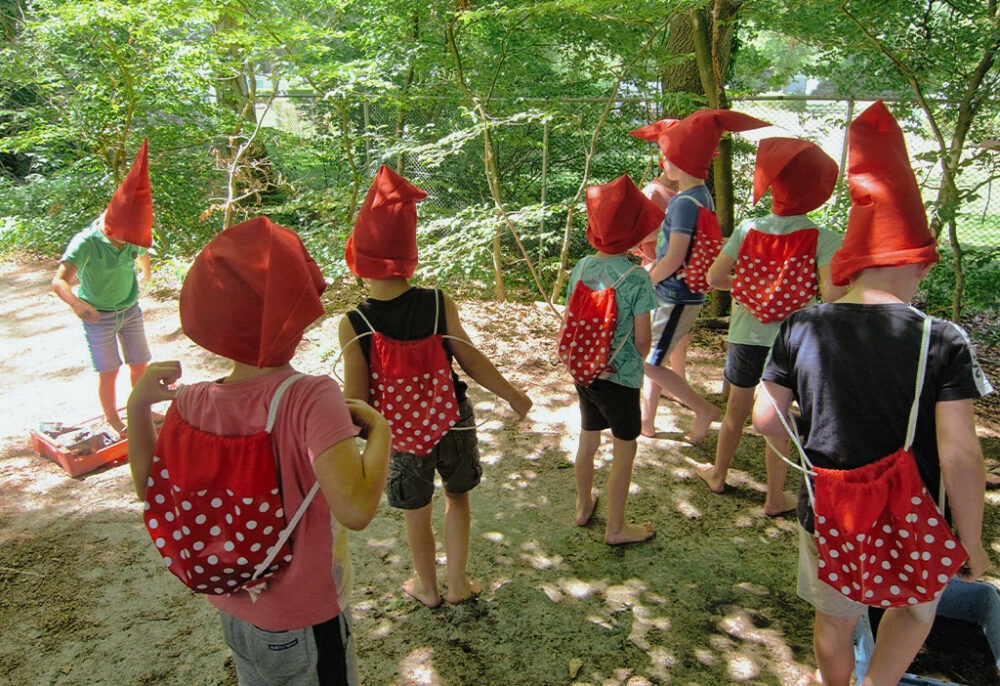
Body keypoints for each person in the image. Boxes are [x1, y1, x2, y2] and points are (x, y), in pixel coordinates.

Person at [752, 101, 992, 686]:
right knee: (913, 610)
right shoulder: (942, 338)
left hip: (829, 506)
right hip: (915, 511)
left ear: (853, 264)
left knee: (835, 618)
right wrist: (975, 544)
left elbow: (765, 418)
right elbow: (960, 454)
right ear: (916, 264)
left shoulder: (804, 324)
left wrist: (812, 461)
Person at [127, 216, 391, 686]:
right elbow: (356, 509)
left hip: (233, 610)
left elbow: (151, 490)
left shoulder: (191, 401)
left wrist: (138, 405)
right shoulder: (311, 397)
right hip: (306, 618)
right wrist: (381, 432)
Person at [338, 165, 532, 608]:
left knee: (416, 512)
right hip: (454, 423)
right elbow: (470, 357)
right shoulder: (437, 301)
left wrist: (348, 449)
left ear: (359, 260)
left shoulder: (353, 325)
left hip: (399, 438)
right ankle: (459, 582)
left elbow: (357, 401)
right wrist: (512, 394)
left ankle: (426, 586)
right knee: (457, 497)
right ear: (410, 256)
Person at [696, 138, 846, 516]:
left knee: (736, 411)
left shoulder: (749, 228)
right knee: (777, 417)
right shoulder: (824, 239)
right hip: (793, 343)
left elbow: (715, 277)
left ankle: (717, 473)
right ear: (817, 193)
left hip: (745, 337)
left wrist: (750, 286)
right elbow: (831, 295)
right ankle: (773, 497)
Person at [641, 109, 771, 442]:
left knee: (649, 362)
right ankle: (648, 421)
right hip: (677, 293)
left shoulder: (684, 203)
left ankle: (702, 409)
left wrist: (645, 281)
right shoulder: (702, 196)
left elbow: (673, 256)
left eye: (667, 156)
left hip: (674, 295)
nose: (664, 163)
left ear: (679, 161)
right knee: (655, 356)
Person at [564, 174, 663, 544]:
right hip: (619, 379)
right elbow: (642, 340)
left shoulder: (584, 266)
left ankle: (582, 505)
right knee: (625, 449)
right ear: (635, 234)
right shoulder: (637, 278)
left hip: (584, 370)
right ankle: (616, 527)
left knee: (588, 438)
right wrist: (631, 359)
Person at [51, 139, 154, 435]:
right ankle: (114, 420)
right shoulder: (86, 242)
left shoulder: (132, 236)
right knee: (109, 371)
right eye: (125, 237)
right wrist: (78, 304)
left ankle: (141, 409)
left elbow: (143, 250)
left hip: (130, 310)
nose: (129, 241)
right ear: (111, 226)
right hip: (99, 316)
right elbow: (59, 280)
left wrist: (145, 275)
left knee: (140, 364)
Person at [628, 119, 693, 386]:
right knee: (657, 340)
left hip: (679, 273)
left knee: (682, 334)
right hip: (657, 270)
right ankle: (657, 389)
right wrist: (670, 228)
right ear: (663, 160)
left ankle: (678, 380)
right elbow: (636, 237)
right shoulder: (654, 192)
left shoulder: (688, 194)